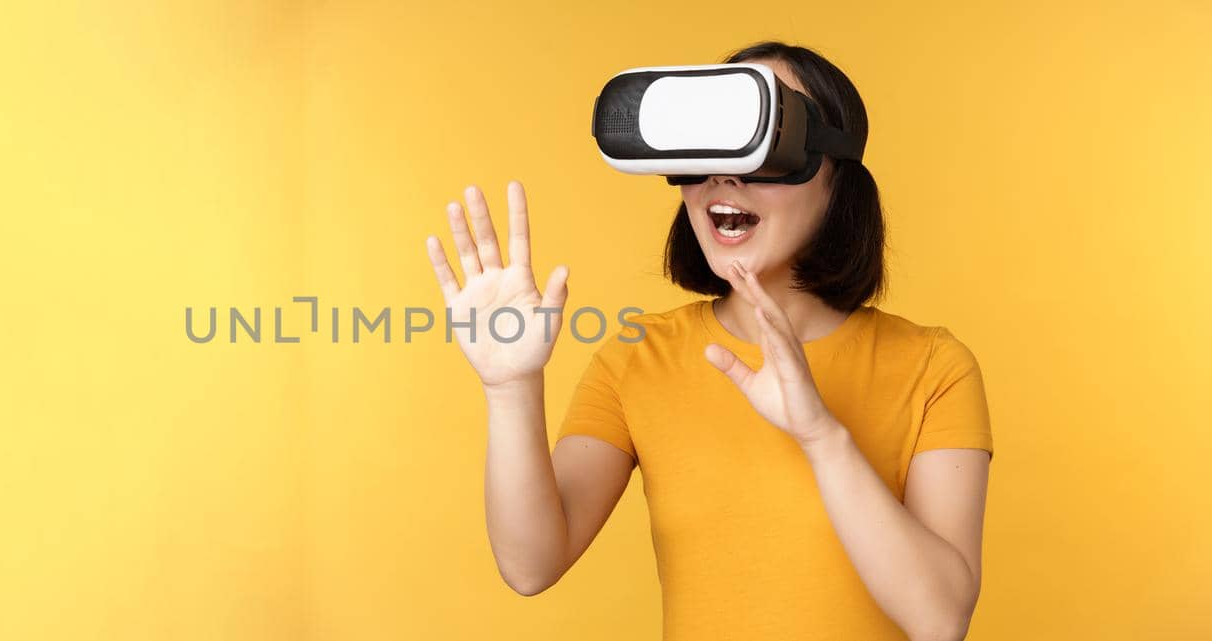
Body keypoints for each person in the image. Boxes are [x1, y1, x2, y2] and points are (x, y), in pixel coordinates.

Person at [423, 41, 993, 641]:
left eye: (763, 143)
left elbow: (940, 620)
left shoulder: (933, 366)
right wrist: (510, 388)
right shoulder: (639, 358)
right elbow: (530, 564)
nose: (724, 174)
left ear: (835, 174)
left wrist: (821, 435)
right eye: (706, 144)